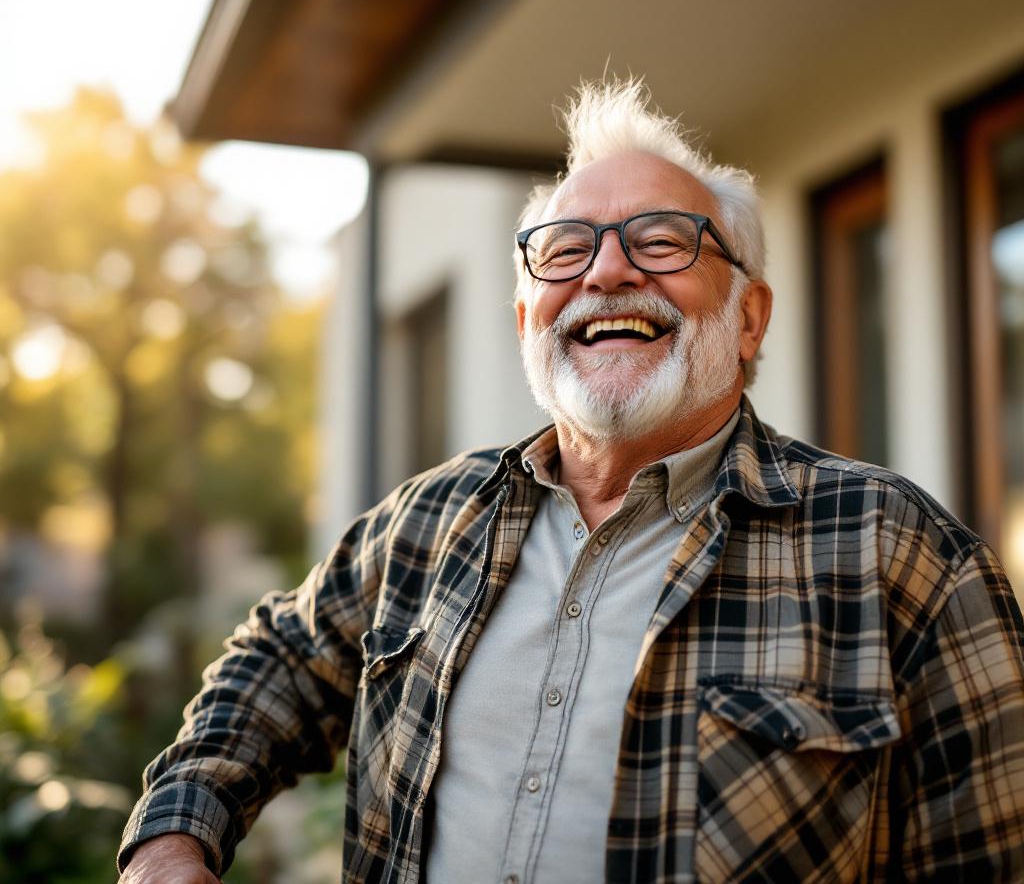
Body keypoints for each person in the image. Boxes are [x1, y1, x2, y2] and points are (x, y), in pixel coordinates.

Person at [118, 80, 1024, 883]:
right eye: (564, 250)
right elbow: (281, 656)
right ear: (526, 317)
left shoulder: (898, 552)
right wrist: (172, 838)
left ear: (749, 318)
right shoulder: (427, 521)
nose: (606, 271)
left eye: (663, 241)